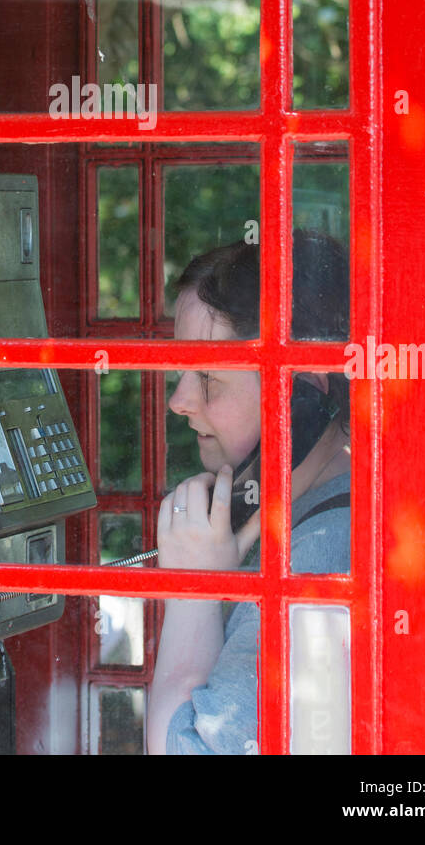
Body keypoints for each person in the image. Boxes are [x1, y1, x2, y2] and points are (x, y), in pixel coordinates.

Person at [147, 231, 352, 756]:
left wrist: (192, 589)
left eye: (208, 377)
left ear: (300, 394)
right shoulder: (316, 520)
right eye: (180, 371)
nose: (179, 401)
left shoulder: (320, 555)